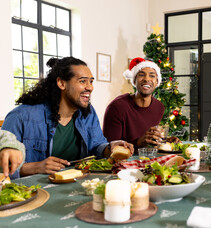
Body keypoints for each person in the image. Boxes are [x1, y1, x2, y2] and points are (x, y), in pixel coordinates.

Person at [2, 57, 133, 179]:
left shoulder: (88, 113)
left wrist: (110, 147)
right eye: (83, 81)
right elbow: (2, 167)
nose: (90, 87)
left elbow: (96, 146)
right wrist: (35, 167)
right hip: (35, 192)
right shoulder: (21, 117)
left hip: (78, 184)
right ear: (61, 83)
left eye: (91, 81)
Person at [103, 57, 165, 149]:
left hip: (148, 159)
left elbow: (152, 142)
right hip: (123, 161)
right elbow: (109, 149)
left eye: (152, 76)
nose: (146, 79)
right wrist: (138, 142)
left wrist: (165, 141)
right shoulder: (117, 107)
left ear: (157, 82)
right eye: (141, 75)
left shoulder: (159, 107)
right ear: (134, 80)